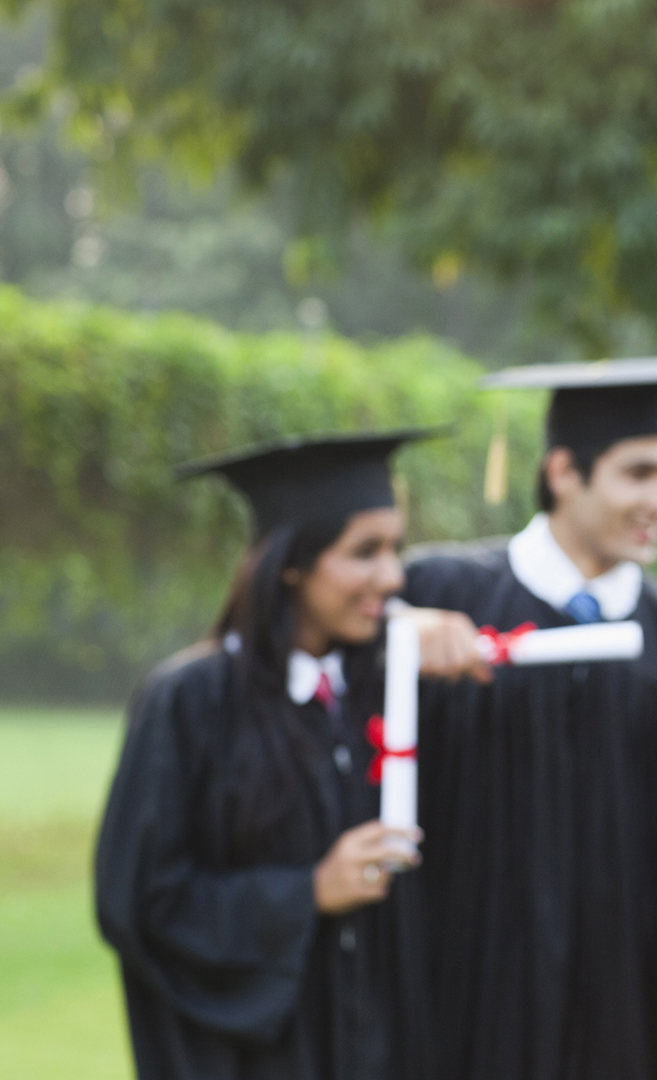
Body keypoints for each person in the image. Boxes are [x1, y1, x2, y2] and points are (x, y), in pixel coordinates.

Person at [97, 431, 490, 1080]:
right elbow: (139, 900)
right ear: (290, 564)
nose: (392, 576)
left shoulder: (386, 689)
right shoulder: (191, 701)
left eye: (395, 548)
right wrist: (305, 893)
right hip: (264, 1054)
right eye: (364, 552)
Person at [401, 355, 657, 1080]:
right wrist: (392, 638)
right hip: (459, 1009)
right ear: (564, 472)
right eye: (641, 472)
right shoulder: (434, 599)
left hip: (626, 1015)